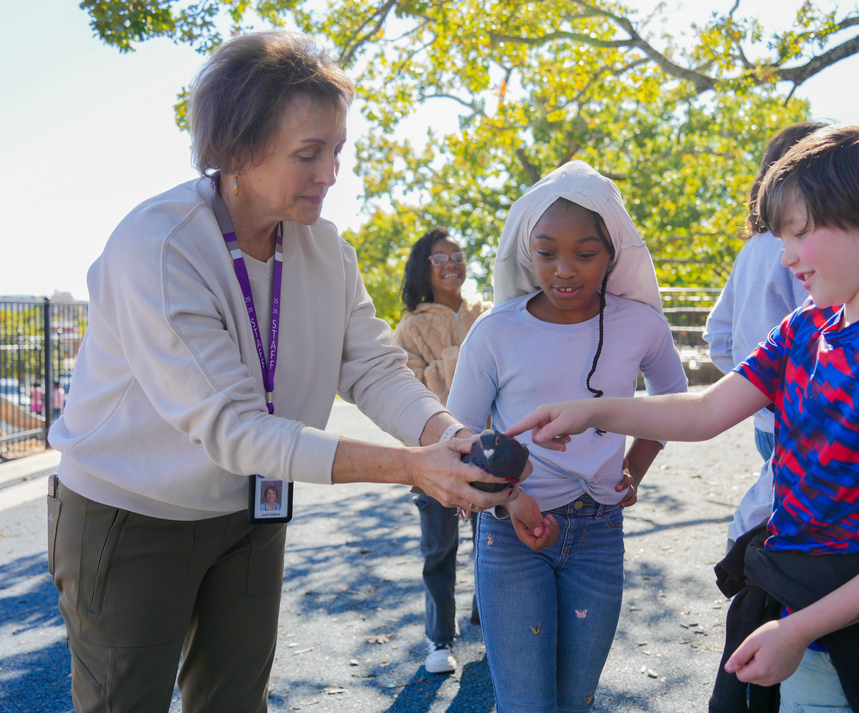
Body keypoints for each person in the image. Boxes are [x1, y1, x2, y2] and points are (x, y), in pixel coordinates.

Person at [45, 31, 519, 713]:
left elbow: (374, 368)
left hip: (249, 510)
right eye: (309, 154)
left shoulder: (327, 251)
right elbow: (234, 427)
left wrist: (452, 436)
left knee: (235, 704)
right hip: (130, 513)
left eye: (337, 151)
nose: (331, 173)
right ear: (235, 150)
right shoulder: (161, 247)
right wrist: (414, 466)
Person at [509, 127, 859, 711]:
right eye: (783, 237)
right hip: (797, 611)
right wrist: (594, 409)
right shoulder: (808, 325)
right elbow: (706, 411)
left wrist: (801, 630)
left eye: (801, 232)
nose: (787, 257)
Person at [446, 160, 688, 711]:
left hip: (599, 529)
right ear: (526, 251)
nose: (564, 269)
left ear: (613, 255)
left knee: (575, 700)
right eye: (547, 251)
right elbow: (458, 439)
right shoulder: (495, 331)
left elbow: (675, 403)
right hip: (510, 535)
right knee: (527, 704)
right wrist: (510, 500)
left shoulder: (641, 324)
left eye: (585, 253)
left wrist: (636, 467)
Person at [703, 122, 823, 549]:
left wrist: (749, 385)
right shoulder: (805, 249)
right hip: (803, 419)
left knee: (777, 509)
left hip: (762, 416)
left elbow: (717, 335)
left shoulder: (750, 249)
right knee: (795, 520)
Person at [392, 226, 490, 673]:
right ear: (423, 268)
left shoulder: (488, 314)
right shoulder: (409, 328)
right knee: (438, 550)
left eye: (458, 255)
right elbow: (410, 393)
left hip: (488, 450)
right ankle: (439, 640)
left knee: (492, 545)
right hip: (434, 453)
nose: (452, 262)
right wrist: (461, 361)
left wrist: (445, 366)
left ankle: (488, 616)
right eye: (440, 257)